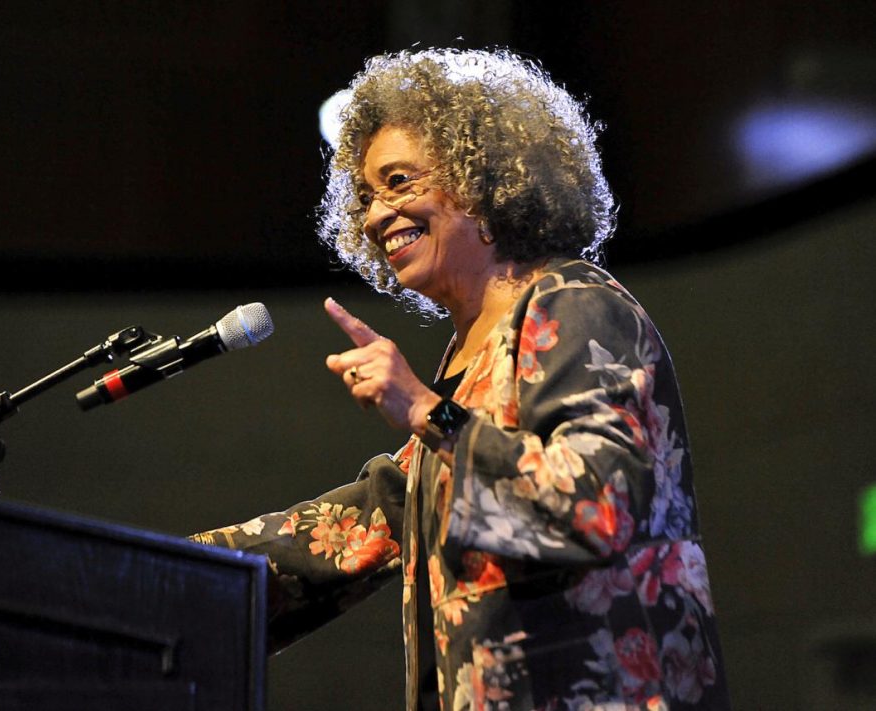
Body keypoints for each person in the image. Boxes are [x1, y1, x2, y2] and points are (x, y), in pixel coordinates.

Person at [190, 48, 729, 710]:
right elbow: (364, 523)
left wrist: (424, 410)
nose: (373, 216)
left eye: (397, 182)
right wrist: (165, 570)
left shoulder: (575, 301)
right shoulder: (464, 358)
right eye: (364, 196)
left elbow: (597, 504)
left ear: (484, 175)